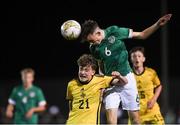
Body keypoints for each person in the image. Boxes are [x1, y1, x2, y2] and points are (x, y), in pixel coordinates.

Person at [80, 14, 172, 124]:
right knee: (111, 121)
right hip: (111, 82)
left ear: (98, 33)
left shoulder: (115, 31)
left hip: (127, 79)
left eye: (92, 40)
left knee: (135, 120)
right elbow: (101, 66)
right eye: (89, 42)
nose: (91, 44)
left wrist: (157, 24)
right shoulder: (93, 48)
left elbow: (142, 35)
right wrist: (102, 84)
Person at [66, 54, 128, 124]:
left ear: (93, 72)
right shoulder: (71, 84)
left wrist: (119, 76)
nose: (82, 72)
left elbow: (124, 82)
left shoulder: (100, 80)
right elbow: (71, 105)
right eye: (81, 69)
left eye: (86, 70)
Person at [129, 46, 164, 124]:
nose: (136, 58)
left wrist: (154, 99)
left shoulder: (151, 73)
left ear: (143, 59)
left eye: (139, 56)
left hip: (152, 111)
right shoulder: (128, 75)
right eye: (134, 56)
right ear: (131, 59)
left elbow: (159, 86)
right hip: (135, 113)